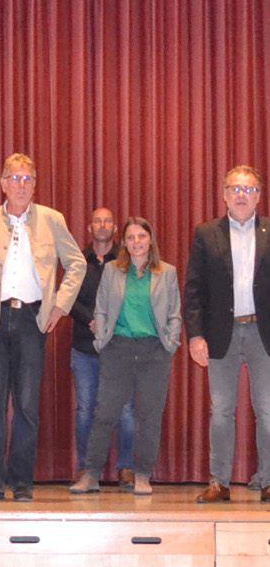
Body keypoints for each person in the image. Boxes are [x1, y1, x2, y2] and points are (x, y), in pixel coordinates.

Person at [0, 153, 86, 503]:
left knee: (28, 405)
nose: (21, 185)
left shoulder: (52, 220)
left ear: (35, 184)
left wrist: (60, 304)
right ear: (2, 184)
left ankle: (23, 483)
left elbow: (76, 263)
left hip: (32, 320)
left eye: (27, 179)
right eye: (14, 179)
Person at [69, 217, 181, 496]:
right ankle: (91, 474)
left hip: (154, 351)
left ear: (150, 239)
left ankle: (142, 475)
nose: (136, 242)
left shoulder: (167, 272)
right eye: (131, 237)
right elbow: (102, 308)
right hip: (117, 349)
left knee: (149, 416)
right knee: (104, 413)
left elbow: (174, 313)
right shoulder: (112, 271)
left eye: (141, 236)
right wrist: (101, 339)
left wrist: (171, 342)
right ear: (125, 242)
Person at [186, 165, 270, 504]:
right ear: (224, 194)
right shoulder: (206, 233)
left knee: (267, 409)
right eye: (235, 188)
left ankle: (267, 479)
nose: (241, 195)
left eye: (249, 189)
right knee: (221, 411)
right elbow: (194, 288)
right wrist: (195, 335)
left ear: (259, 196)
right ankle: (219, 482)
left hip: (263, 334)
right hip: (222, 333)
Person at [70, 208, 136, 489]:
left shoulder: (127, 260)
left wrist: (110, 323)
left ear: (115, 227)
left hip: (119, 346)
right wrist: (91, 320)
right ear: (89, 227)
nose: (102, 225)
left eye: (108, 220)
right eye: (97, 220)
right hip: (84, 346)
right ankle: (88, 469)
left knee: (125, 410)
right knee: (86, 410)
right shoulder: (77, 261)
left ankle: (126, 469)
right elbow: (67, 297)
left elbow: (134, 297)